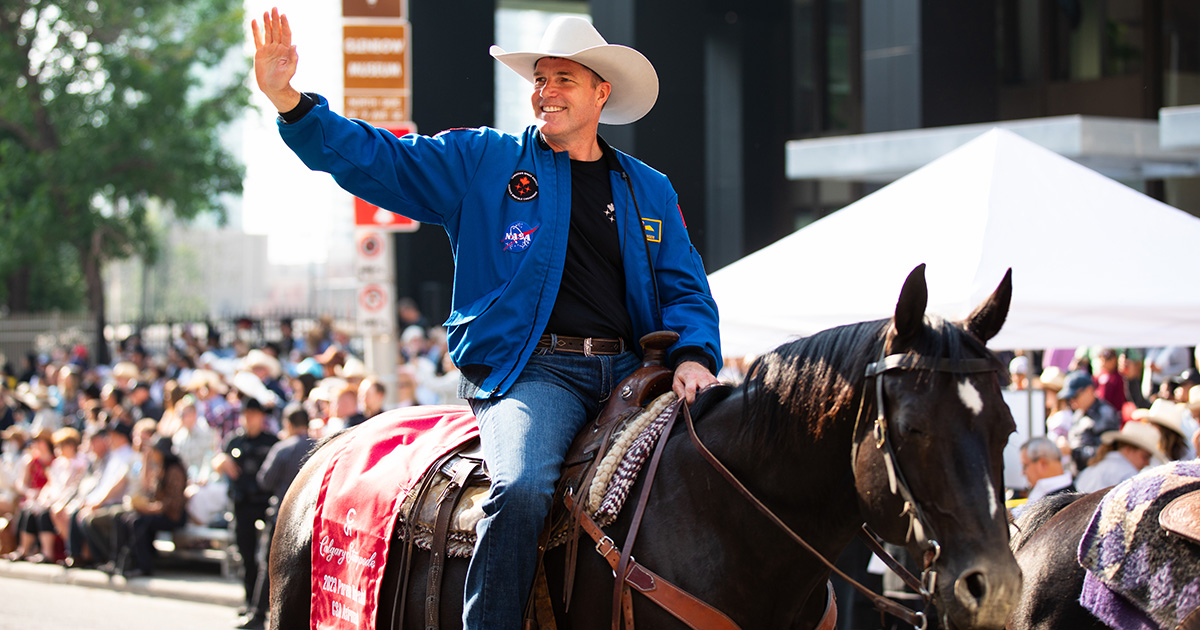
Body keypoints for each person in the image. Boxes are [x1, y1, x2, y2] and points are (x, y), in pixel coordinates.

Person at [252, 10, 721, 629]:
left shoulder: (649, 188)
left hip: (634, 377)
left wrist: (694, 355)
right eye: (540, 79)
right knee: (523, 488)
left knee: (717, 475)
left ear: (601, 92)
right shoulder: (483, 160)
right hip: (533, 375)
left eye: (564, 80)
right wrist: (291, 103)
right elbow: (380, 159)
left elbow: (683, 285)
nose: (545, 92)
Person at [212, 397, 279, 630]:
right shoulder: (235, 440)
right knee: (245, 553)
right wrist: (220, 461)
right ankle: (250, 601)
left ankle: (262, 605)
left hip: (263, 503)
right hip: (242, 505)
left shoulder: (271, 441)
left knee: (265, 557)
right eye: (246, 413)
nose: (249, 418)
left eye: (254, 413)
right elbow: (219, 458)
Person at [114, 436, 187, 577]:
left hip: (173, 515)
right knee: (125, 519)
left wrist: (152, 508)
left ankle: (144, 566)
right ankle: (124, 562)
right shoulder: (159, 467)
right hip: (159, 511)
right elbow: (147, 487)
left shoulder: (174, 470)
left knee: (139, 522)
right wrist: (146, 461)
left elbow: (173, 502)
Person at [1075, 421, 1163, 494]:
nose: (1147, 463)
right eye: (1145, 457)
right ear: (1129, 449)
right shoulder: (1129, 475)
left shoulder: (1096, 466)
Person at [1060, 370, 1120, 472]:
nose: (1072, 402)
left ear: (1089, 390)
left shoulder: (1104, 414)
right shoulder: (1079, 414)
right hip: (1082, 475)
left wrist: (1072, 451)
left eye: (1074, 396)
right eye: (1069, 399)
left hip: (1099, 478)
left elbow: (1105, 453)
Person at [1013, 437, 1075, 518]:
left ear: (1042, 463)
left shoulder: (1062, 502)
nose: (1023, 473)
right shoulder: (1054, 493)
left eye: (1025, 466)